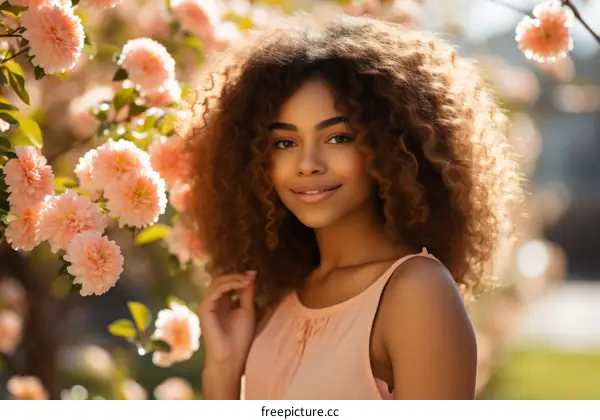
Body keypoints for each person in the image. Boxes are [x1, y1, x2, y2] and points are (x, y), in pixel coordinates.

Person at [185, 13, 523, 400]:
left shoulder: (417, 293)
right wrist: (224, 370)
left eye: (337, 138)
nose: (308, 163)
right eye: (284, 143)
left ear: (390, 145)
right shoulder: (281, 295)